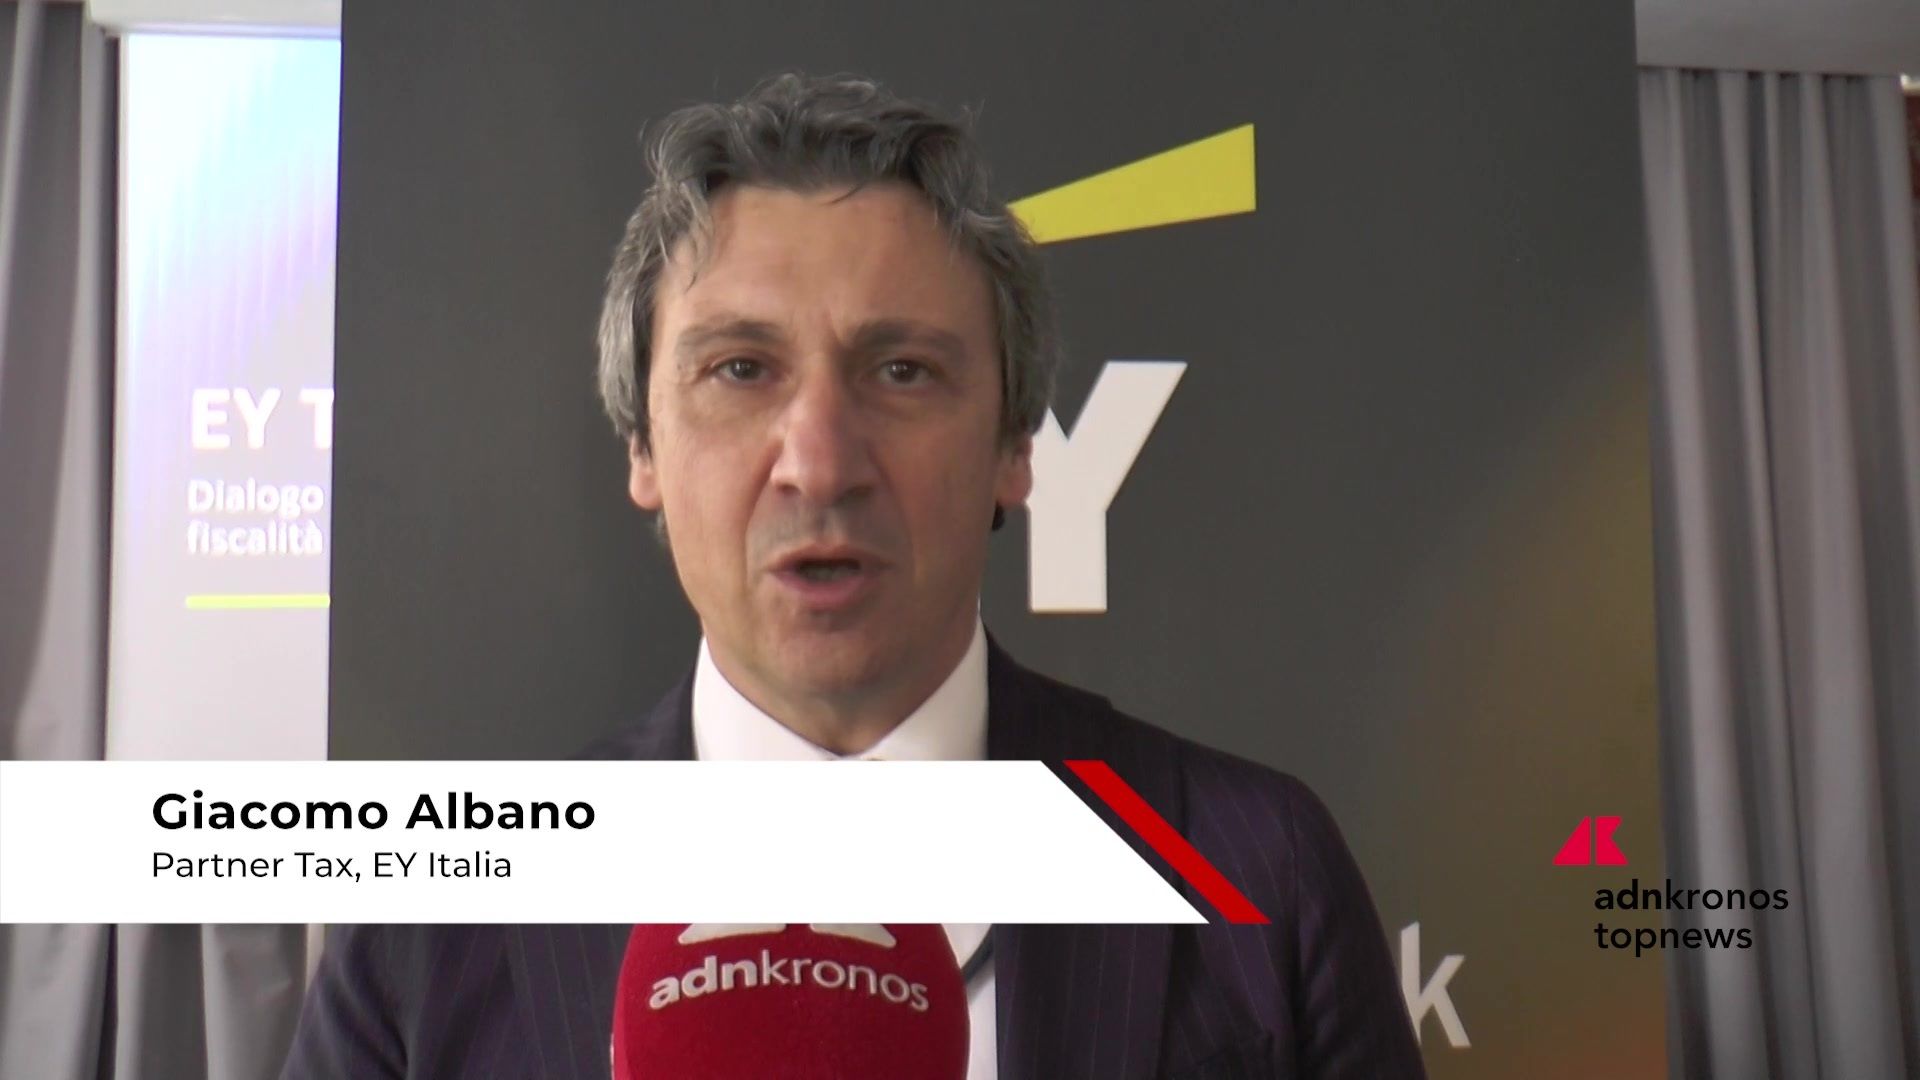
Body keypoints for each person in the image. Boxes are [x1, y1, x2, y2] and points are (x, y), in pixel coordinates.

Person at [283, 71, 1425, 1080]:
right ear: (643, 449)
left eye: (902, 371)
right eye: (741, 369)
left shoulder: (1254, 866)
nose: (819, 463)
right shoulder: (433, 922)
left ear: (1016, 444)